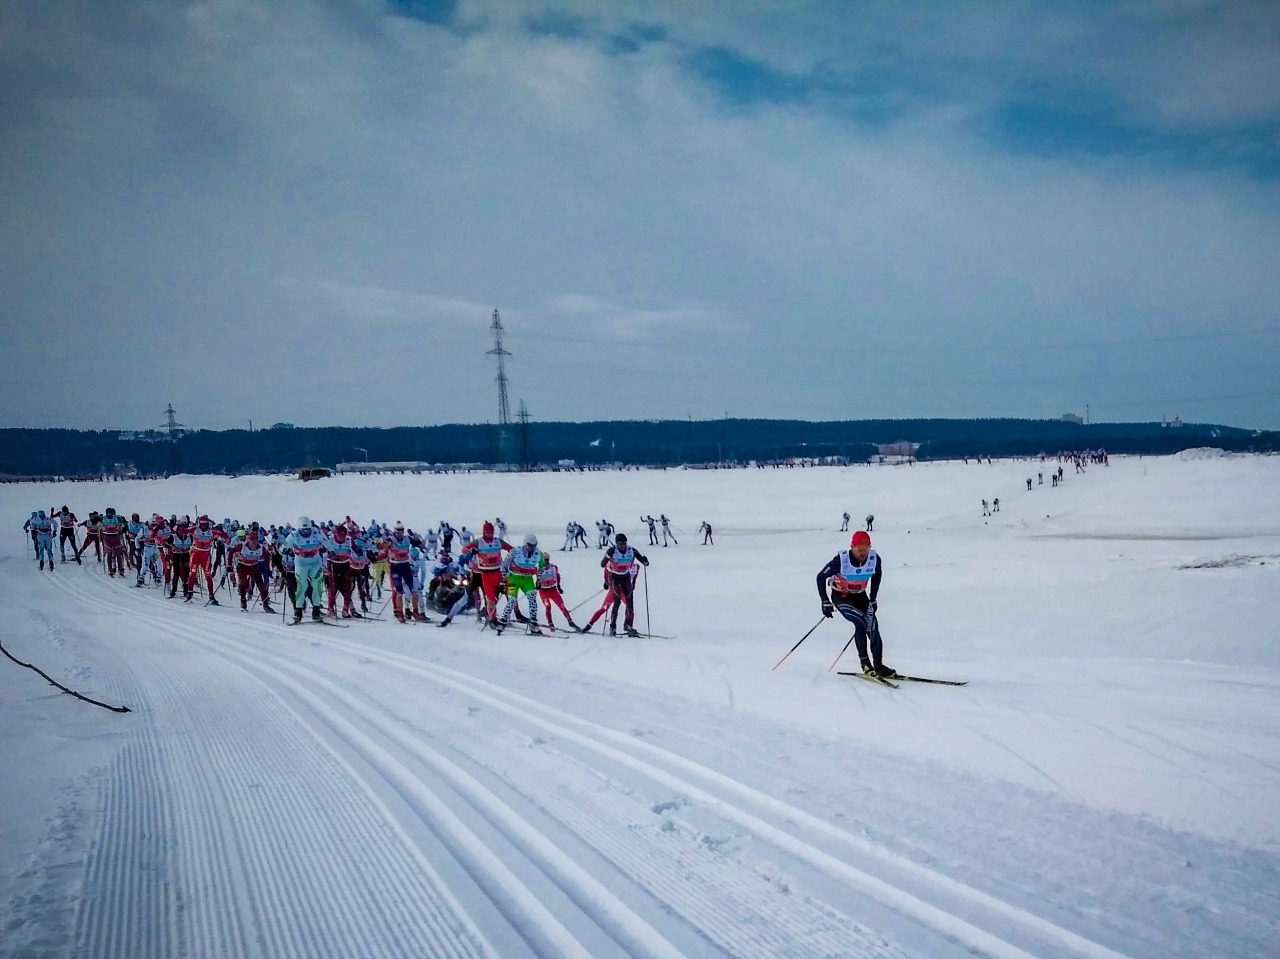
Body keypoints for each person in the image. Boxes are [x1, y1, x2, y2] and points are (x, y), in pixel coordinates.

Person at [815, 530, 895, 677]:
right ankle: (865, 664)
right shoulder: (841, 560)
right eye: (859, 550)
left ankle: (879, 666)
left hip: (860, 597)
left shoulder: (874, 559)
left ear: (870, 547)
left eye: (865, 549)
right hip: (841, 596)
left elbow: (877, 576)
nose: (862, 553)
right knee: (860, 622)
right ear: (852, 547)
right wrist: (824, 601)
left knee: (873, 627)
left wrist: (873, 598)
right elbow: (820, 577)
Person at [598, 533, 649, 637]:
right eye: (620, 544)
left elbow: (645, 563)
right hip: (615, 577)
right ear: (617, 543)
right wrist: (608, 555)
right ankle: (613, 627)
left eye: (624, 543)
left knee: (630, 603)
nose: (623, 546)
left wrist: (645, 560)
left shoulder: (631, 550)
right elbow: (602, 564)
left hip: (626, 576)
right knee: (616, 603)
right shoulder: (612, 550)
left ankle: (628, 626)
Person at [285, 516, 327, 623]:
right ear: (299, 529)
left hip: (315, 563)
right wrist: (287, 551)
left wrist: (327, 548)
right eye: (303, 530)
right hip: (301, 563)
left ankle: (316, 611)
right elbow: (282, 549)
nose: (306, 532)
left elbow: (329, 545)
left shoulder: (317, 532)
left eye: (308, 529)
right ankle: (298, 612)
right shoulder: (293, 535)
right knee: (302, 587)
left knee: (317, 586)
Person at [500, 534, 545, 634]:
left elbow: (542, 566)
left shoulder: (538, 553)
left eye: (534, 545)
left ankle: (533, 623)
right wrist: (503, 579)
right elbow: (505, 563)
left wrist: (539, 580)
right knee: (512, 600)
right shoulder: (515, 551)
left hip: (527, 580)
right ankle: (503, 620)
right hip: (513, 579)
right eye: (530, 545)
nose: (532, 548)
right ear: (525, 544)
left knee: (532, 597)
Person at [473, 520, 513, 626]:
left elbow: (511, 549)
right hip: (485, 575)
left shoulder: (498, 541)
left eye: (492, 532)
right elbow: (465, 550)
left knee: (511, 590)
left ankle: (513, 614)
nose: (490, 535)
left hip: (498, 572)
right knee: (490, 598)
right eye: (488, 532)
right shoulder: (479, 542)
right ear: (484, 532)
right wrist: (471, 551)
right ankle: (492, 619)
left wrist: (511, 559)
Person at [387, 522, 425, 622]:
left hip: (405, 565)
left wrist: (421, 544)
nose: (400, 534)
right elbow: (384, 545)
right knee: (399, 591)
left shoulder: (406, 538)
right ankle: (400, 613)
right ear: (395, 532)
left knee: (413, 589)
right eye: (398, 532)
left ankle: (415, 612)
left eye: (401, 531)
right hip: (395, 566)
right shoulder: (391, 539)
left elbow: (416, 542)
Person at [234, 529, 275, 613]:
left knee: (261, 586)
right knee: (243, 583)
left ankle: (265, 604)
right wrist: (229, 565)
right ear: (248, 539)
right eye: (251, 540)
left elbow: (266, 557)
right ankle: (243, 602)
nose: (253, 542)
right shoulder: (242, 545)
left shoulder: (261, 547)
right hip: (242, 567)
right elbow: (231, 552)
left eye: (255, 540)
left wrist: (268, 569)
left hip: (254, 567)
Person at [536, 554, 579, 631]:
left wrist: (559, 586)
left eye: (547, 560)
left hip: (553, 589)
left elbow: (558, 576)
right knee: (547, 606)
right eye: (543, 560)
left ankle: (570, 621)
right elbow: (537, 578)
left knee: (562, 606)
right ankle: (550, 623)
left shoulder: (553, 567)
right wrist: (537, 584)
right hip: (543, 591)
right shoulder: (538, 569)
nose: (545, 562)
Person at [99, 508, 128, 578]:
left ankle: (121, 570)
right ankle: (110, 569)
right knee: (109, 554)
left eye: (112, 513)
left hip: (116, 537)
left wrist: (123, 525)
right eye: (109, 513)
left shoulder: (117, 518)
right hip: (107, 537)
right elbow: (99, 527)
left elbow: (124, 525)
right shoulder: (103, 518)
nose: (110, 515)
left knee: (119, 554)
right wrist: (100, 537)